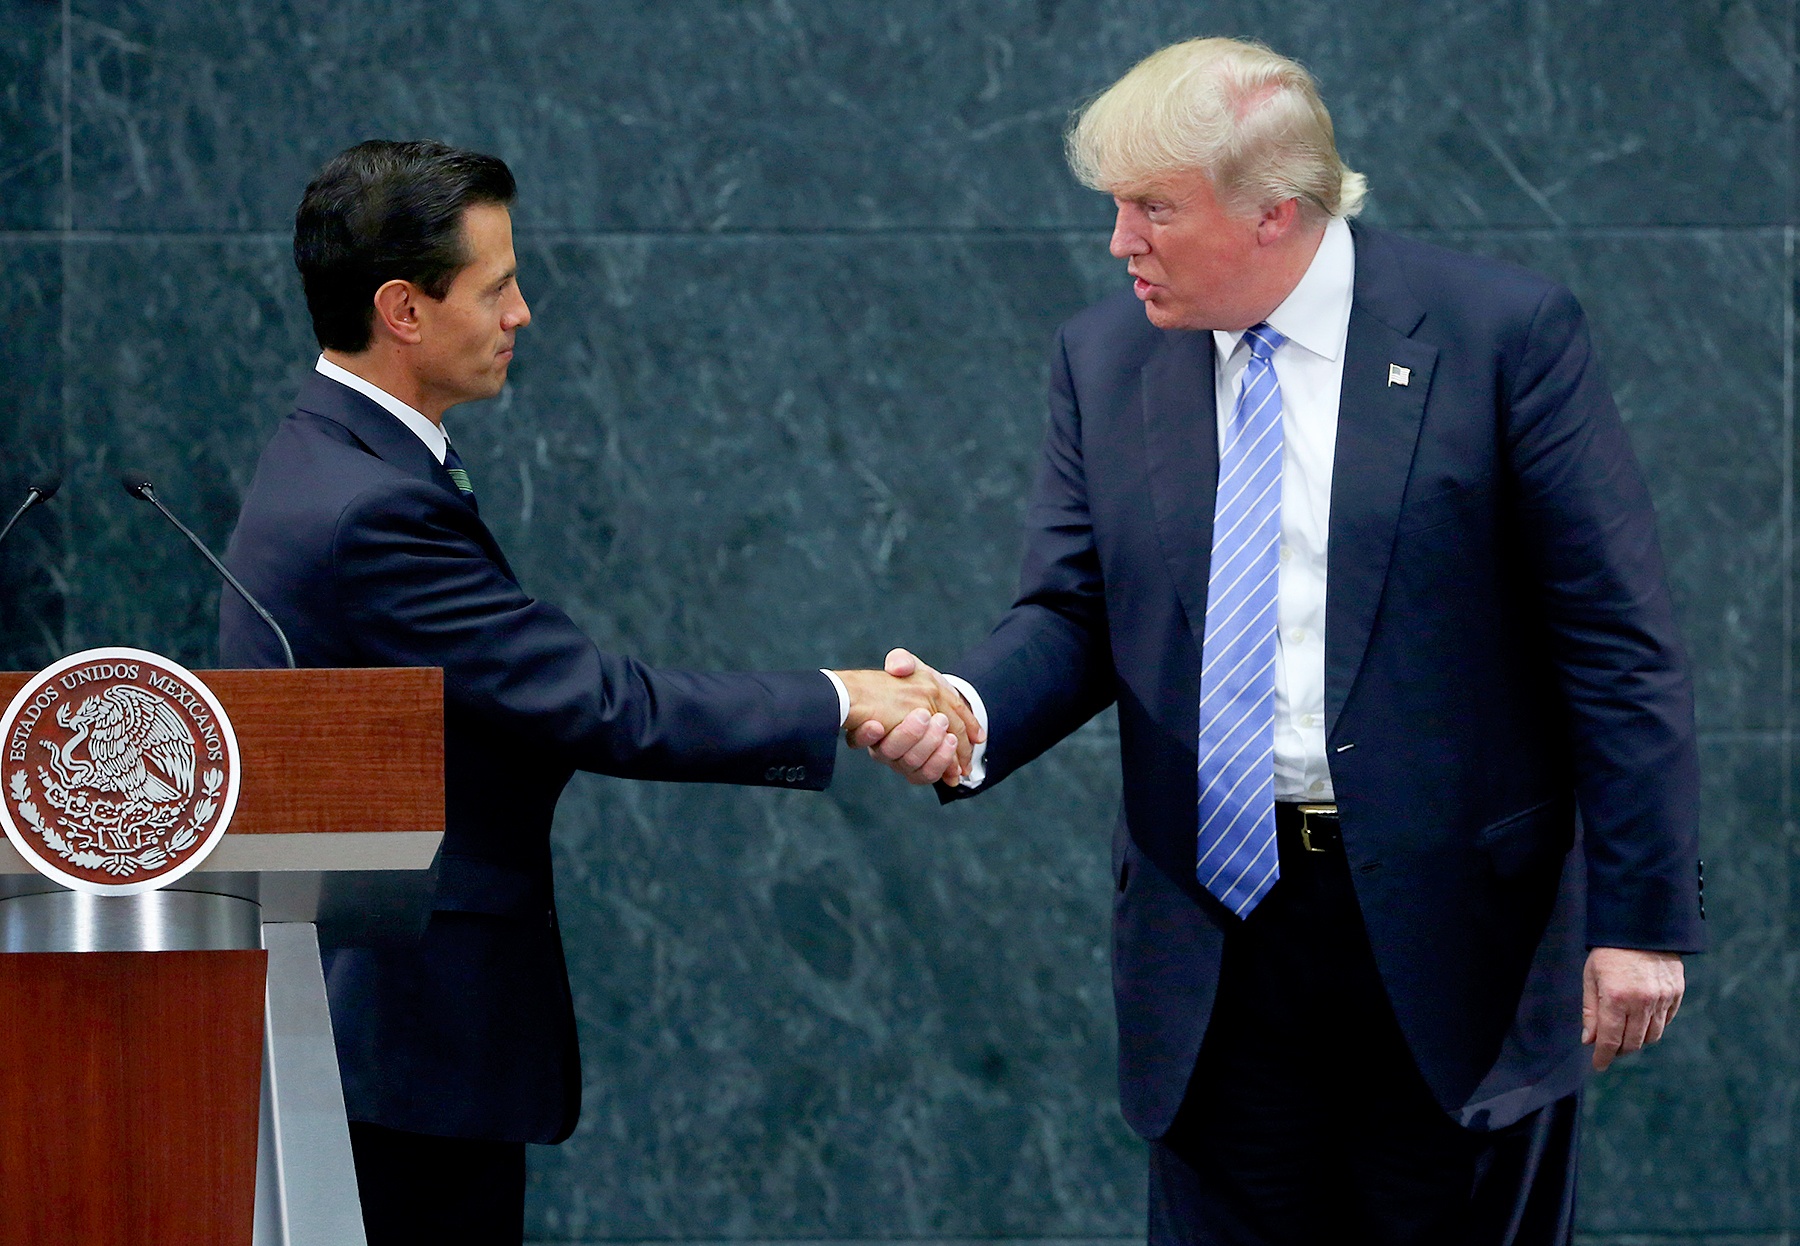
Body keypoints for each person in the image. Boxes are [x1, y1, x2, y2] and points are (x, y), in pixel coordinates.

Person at [858, 37, 1702, 1245]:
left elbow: (1619, 642)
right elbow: (1074, 612)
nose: (1120, 243)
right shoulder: (1104, 360)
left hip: (1458, 940)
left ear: (1277, 213)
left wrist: (1643, 916)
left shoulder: (1500, 335)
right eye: (1115, 207)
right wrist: (969, 711)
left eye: (1154, 209)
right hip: (1213, 950)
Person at [218, 139, 981, 1246]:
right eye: (496, 287)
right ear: (404, 309)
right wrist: (838, 699)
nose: (521, 312)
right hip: (396, 1038)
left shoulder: (343, 457)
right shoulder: (368, 507)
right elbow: (589, 699)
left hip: (381, 1034)